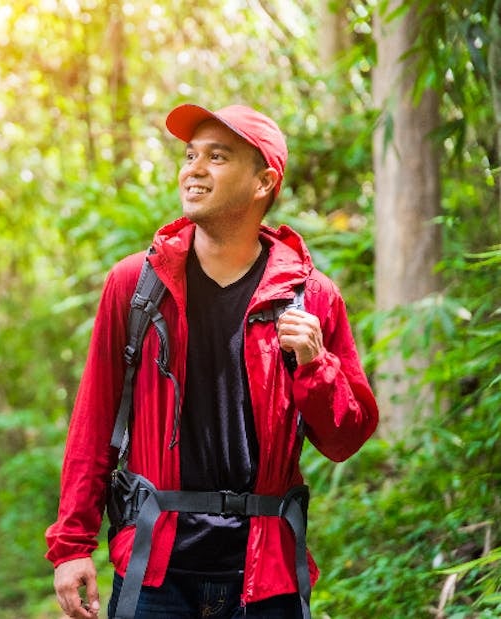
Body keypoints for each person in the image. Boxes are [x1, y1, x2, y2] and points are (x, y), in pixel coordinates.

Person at [45, 103, 379, 619]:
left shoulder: (311, 297)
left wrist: (317, 365)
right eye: (189, 155)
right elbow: (92, 425)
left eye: (217, 157)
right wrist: (71, 547)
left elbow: (344, 439)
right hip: (157, 569)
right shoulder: (136, 286)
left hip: (266, 572)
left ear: (263, 181)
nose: (193, 169)